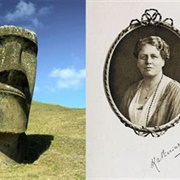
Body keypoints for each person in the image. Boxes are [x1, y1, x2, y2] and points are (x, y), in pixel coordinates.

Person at [120, 36, 180, 127]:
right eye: (143, 57)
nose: (148, 61)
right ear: (137, 63)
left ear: (163, 61)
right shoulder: (131, 91)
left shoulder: (176, 91)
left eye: (154, 56)